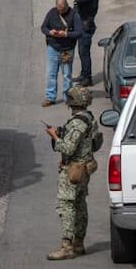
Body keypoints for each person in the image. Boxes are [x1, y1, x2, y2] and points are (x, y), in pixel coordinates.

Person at [44, 86, 100, 260]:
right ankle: (79, 243)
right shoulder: (89, 118)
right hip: (84, 167)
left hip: (74, 171)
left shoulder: (77, 123)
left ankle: (67, 246)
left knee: (67, 206)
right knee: (80, 205)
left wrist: (54, 136)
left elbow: (67, 147)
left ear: (72, 102)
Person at [41, 0, 82, 106]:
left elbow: (79, 32)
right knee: (51, 74)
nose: (61, 11)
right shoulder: (51, 13)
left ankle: (67, 97)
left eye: (63, 9)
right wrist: (50, 32)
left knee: (67, 75)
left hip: (67, 50)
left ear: (67, 5)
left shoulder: (74, 15)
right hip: (53, 48)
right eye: (59, 9)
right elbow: (43, 27)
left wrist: (66, 34)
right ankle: (50, 97)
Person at [72, 0, 99, 85]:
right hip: (81, 26)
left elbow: (79, 0)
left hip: (86, 27)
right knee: (81, 52)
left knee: (84, 52)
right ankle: (83, 74)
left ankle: (87, 78)